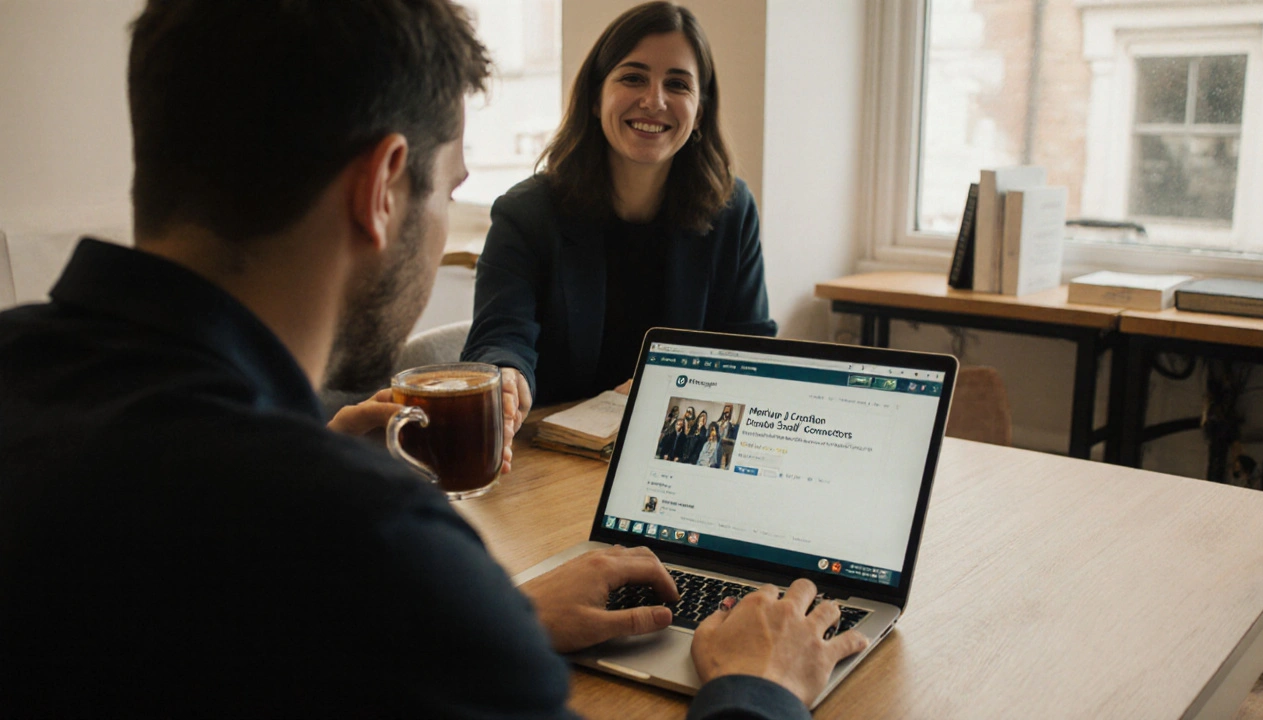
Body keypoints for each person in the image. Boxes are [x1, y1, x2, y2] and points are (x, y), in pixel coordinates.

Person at [0, 1, 865, 717]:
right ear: (383, 188)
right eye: (450, 189)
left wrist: (503, 612)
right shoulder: (373, 543)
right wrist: (760, 689)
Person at [461, 0, 778, 427]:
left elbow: (750, 350)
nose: (654, 100)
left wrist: (670, 388)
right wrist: (506, 377)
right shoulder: (525, 214)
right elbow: (500, 339)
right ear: (595, 98)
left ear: (699, 111)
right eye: (633, 78)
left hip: (670, 444)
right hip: (553, 453)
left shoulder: (732, 210)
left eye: (679, 85)